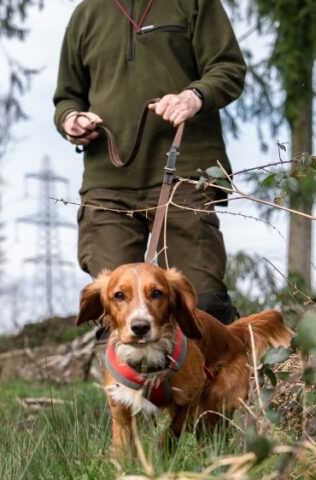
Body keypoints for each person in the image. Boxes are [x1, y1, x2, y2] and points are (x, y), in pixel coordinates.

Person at [53, 0, 246, 324]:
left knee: (201, 302)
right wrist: (70, 120)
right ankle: (126, 377)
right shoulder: (86, 13)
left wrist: (193, 96)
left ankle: (228, 371)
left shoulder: (196, 4)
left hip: (184, 174)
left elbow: (228, 69)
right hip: (107, 184)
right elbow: (67, 96)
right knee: (113, 306)